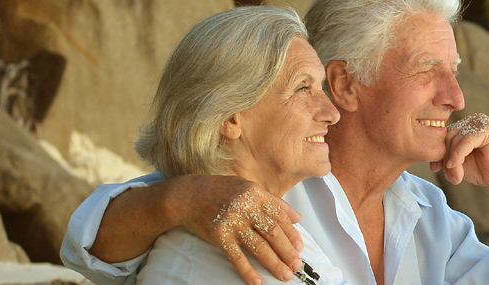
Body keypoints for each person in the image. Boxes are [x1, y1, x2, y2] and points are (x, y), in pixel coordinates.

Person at [60, 0, 489, 284]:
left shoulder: (429, 214)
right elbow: (90, 246)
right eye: (428, 70)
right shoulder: (244, 189)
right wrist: (179, 199)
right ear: (347, 84)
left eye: (454, 71)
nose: (456, 97)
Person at [61, 6, 348, 285]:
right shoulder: (209, 260)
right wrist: (182, 199)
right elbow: (89, 238)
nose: (332, 113)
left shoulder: (245, 212)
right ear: (231, 116)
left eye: (320, 87)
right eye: (302, 88)